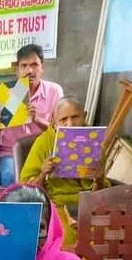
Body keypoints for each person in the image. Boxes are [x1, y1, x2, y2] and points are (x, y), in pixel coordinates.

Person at [21, 95, 109, 249]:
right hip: (58, 204)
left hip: (90, 203)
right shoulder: (43, 143)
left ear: (85, 116)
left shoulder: (94, 141)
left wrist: (99, 177)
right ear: (53, 122)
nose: (70, 124)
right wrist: (43, 174)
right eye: (63, 120)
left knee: (106, 235)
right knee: (65, 239)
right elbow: (25, 190)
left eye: (75, 117)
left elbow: (101, 191)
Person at [0, 43, 64, 186]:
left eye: (35, 65)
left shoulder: (54, 91)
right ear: (17, 70)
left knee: (55, 179)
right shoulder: (7, 92)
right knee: (9, 176)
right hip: (9, 153)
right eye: (24, 66)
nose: (30, 71)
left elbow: (60, 131)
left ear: (42, 68)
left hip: (42, 152)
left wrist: (37, 120)